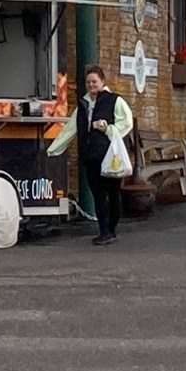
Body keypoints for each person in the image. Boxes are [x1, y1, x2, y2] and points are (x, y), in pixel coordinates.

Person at [46, 64, 133, 245]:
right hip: (91, 157)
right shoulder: (84, 105)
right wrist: (54, 148)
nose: (91, 85)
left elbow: (127, 123)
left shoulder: (115, 101)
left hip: (110, 156)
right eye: (88, 82)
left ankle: (111, 229)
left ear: (102, 82)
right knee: (99, 195)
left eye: (94, 81)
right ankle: (105, 231)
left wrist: (108, 129)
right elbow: (71, 128)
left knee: (113, 193)